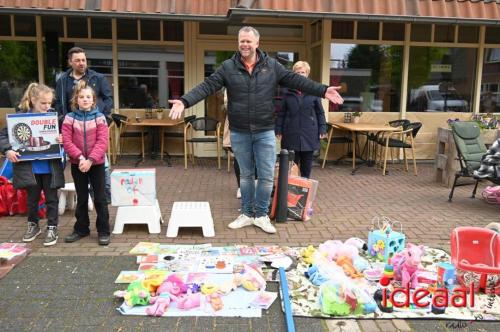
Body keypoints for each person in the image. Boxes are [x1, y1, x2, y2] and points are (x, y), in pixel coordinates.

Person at [168, 26, 343, 234]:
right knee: (246, 176)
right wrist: (184, 101)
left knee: (267, 175)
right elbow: (207, 86)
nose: (245, 44)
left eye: (249, 41)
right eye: (242, 41)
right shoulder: (228, 67)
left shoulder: (272, 66)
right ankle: (246, 213)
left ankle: (261, 215)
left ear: (257, 43)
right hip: (239, 131)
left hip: (265, 131)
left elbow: (296, 80)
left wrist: (323, 90)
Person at [0, 83, 65, 246]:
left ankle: (52, 227)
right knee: (32, 199)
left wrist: (62, 139)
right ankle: (33, 225)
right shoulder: (19, 118)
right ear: (33, 100)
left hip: (50, 166)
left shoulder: (55, 117)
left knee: (52, 199)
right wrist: (8, 150)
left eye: (50, 103)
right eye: (43, 103)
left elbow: (67, 136)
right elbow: (3, 137)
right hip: (29, 167)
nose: (47, 106)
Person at [55, 47, 113, 203]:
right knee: (77, 166)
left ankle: (104, 197)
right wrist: (65, 123)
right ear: (70, 62)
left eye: (83, 60)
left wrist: (97, 116)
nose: (81, 63)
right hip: (73, 129)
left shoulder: (98, 78)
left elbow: (108, 100)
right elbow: (59, 105)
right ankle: (82, 200)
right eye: (77, 60)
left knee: (102, 165)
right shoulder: (62, 81)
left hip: (95, 127)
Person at [62, 81, 110, 245]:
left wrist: (90, 159)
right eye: (81, 97)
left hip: (96, 164)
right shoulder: (69, 118)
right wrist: (81, 158)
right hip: (78, 164)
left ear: (93, 100)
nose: (85, 99)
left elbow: (102, 142)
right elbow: (67, 142)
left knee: (100, 198)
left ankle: (103, 231)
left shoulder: (100, 118)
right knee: (81, 198)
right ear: (76, 99)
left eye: (88, 96)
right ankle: (81, 229)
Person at [275, 61, 327, 178]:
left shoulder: (314, 92)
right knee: (291, 165)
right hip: (291, 133)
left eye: (302, 72)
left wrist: (322, 128)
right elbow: (281, 113)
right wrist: (278, 129)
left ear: (307, 74)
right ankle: (291, 189)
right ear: (293, 75)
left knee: (306, 166)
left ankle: (304, 188)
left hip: (309, 133)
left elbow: (320, 112)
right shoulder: (287, 92)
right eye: (297, 72)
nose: (300, 74)